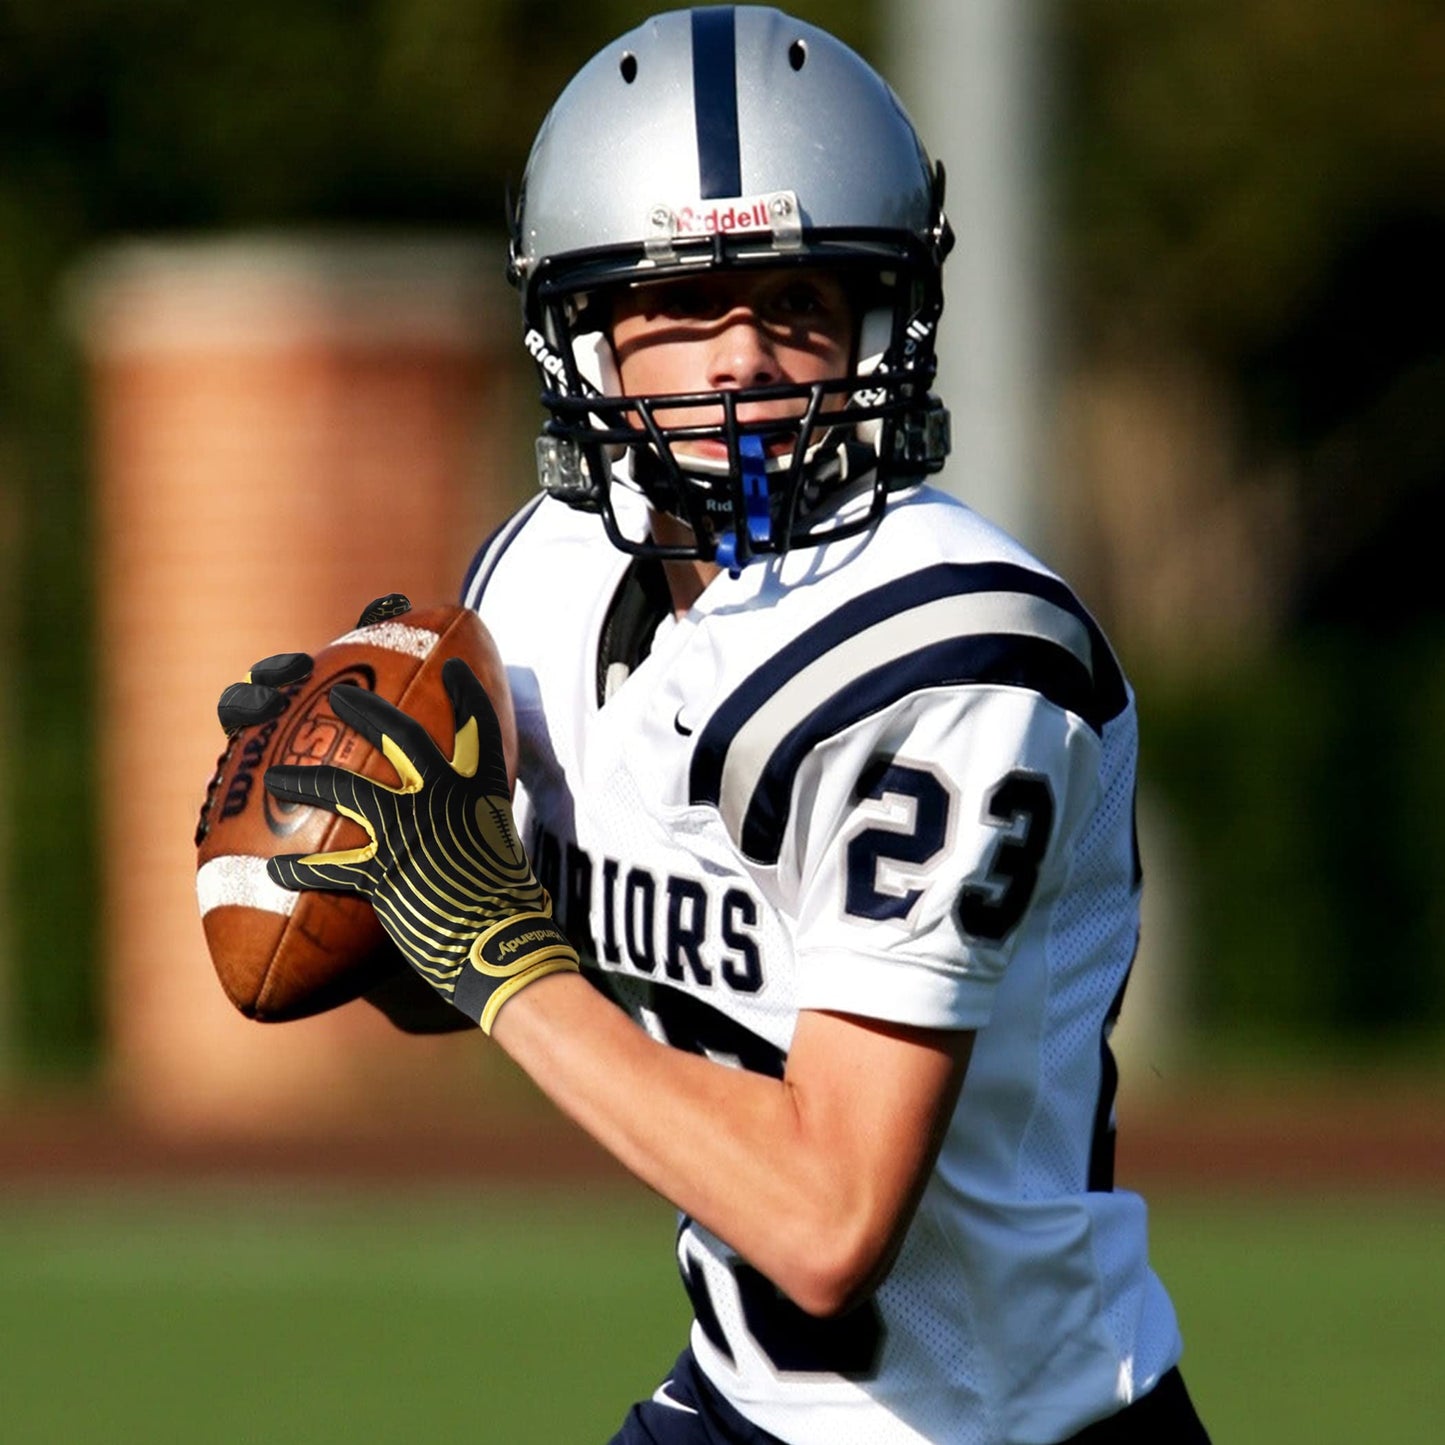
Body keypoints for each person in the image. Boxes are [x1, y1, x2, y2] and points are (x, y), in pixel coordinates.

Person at [224, 9, 1211, 1442]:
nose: (741, 358)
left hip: (999, 1423)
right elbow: (567, 960)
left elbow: (826, 1213)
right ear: (581, 343)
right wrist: (369, 892)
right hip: (742, 1400)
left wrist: (483, 944)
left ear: (887, 323)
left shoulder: (948, 655)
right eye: (681, 308)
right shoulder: (545, 581)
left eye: (800, 303)